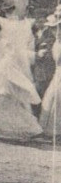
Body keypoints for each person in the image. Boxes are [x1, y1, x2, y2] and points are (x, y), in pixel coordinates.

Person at [0, 14, 42, 142]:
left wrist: (2, 69)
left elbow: (10, 58)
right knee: (7, 105)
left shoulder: (5, 42)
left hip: (7, 76)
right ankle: (23, 130)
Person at [39, 10, 61, 138]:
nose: (55, 32)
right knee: (51, 99)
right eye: (53, 29)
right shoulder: (56, 42)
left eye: (57, 28)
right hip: (58, 73)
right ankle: (52, 131)